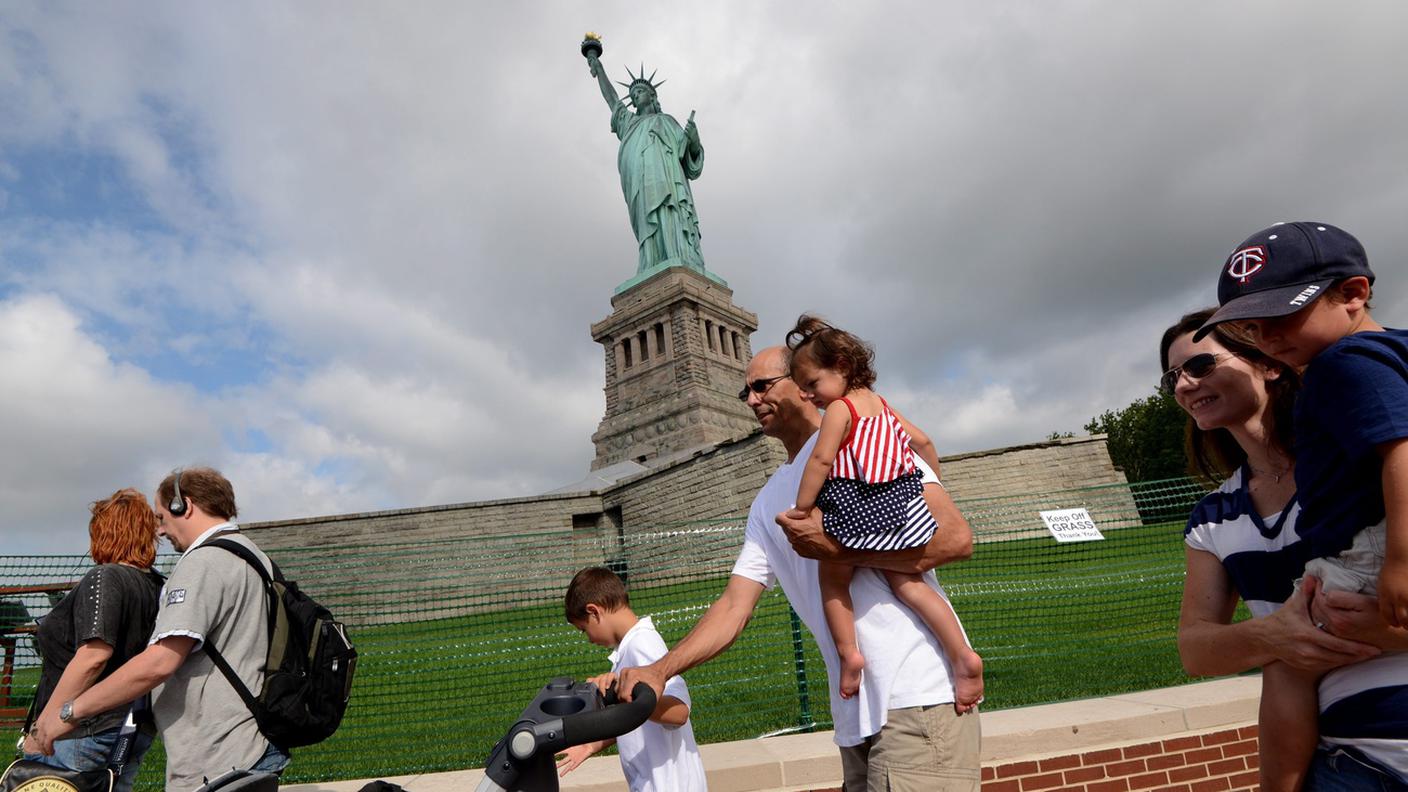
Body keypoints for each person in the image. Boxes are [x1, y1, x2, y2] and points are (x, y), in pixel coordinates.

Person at [619, 346, 981, 792]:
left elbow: (954, 538)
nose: (751, 400)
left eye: (761, 386)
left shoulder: (865, 435)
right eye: (745, 392)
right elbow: (734, 606)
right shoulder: (767, 502)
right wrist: (660, 670)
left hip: (918, 700)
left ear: (805, 385)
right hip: (855, 717)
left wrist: (834, 547)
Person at [1184, 221, 1408, 789]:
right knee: (1286, 656)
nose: (1185, 382)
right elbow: (1196, 649)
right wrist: (1272, 635)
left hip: (1369, 567)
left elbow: (1400, 451)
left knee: (1288, 662)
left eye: (1203, 363)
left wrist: (1393, 606)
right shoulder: (1213, 518)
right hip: (1358, 756)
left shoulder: (1346, 381)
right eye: (1173, 374)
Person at [30, 467, 290, 790]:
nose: (161, 531)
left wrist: (66, 713)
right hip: (239, 744)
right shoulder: (253, 557)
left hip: (216, 756)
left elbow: (155, 661)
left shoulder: (202, 564)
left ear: (186, 506)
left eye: (162, 517)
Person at [780, 315, 983, 708]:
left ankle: (849, 655)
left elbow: (822, 461)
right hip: (900, 508)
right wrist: (933, 484)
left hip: (855, 509)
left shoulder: (840, 410)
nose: (808, 396)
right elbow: (923, 440)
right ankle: (961, 654)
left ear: (841, 366)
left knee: (834, 580)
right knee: (910, 584)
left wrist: (803, 509)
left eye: (811, 384)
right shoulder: (884, 406)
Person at [22, 489, 164, 792]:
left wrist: (43, 727)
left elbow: (93, 655)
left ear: (105, 531)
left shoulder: (105, 577)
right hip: (131, 725)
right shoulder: (156, 585)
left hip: (82, 730)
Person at [555, 567, 707, 792]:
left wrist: (620, 694)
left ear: (594, 612)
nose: (588, 639)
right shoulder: (627, 650)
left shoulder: (642, 644)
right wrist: (592, 744)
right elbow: (636, 717)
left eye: (583, 629)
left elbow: (679, 712)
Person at [584, 49, 706, 275]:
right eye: (632, 94)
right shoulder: (628, 123)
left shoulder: (668, 122)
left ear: (652, 95)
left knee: (671, 215)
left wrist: (694, 140)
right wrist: (598, 69)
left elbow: (690, 161)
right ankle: (652, 260)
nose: (634, 96)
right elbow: (612, 100)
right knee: (647, 222)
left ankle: (679, 256)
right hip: (640, 182)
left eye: (639, 91)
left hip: (668, 181)